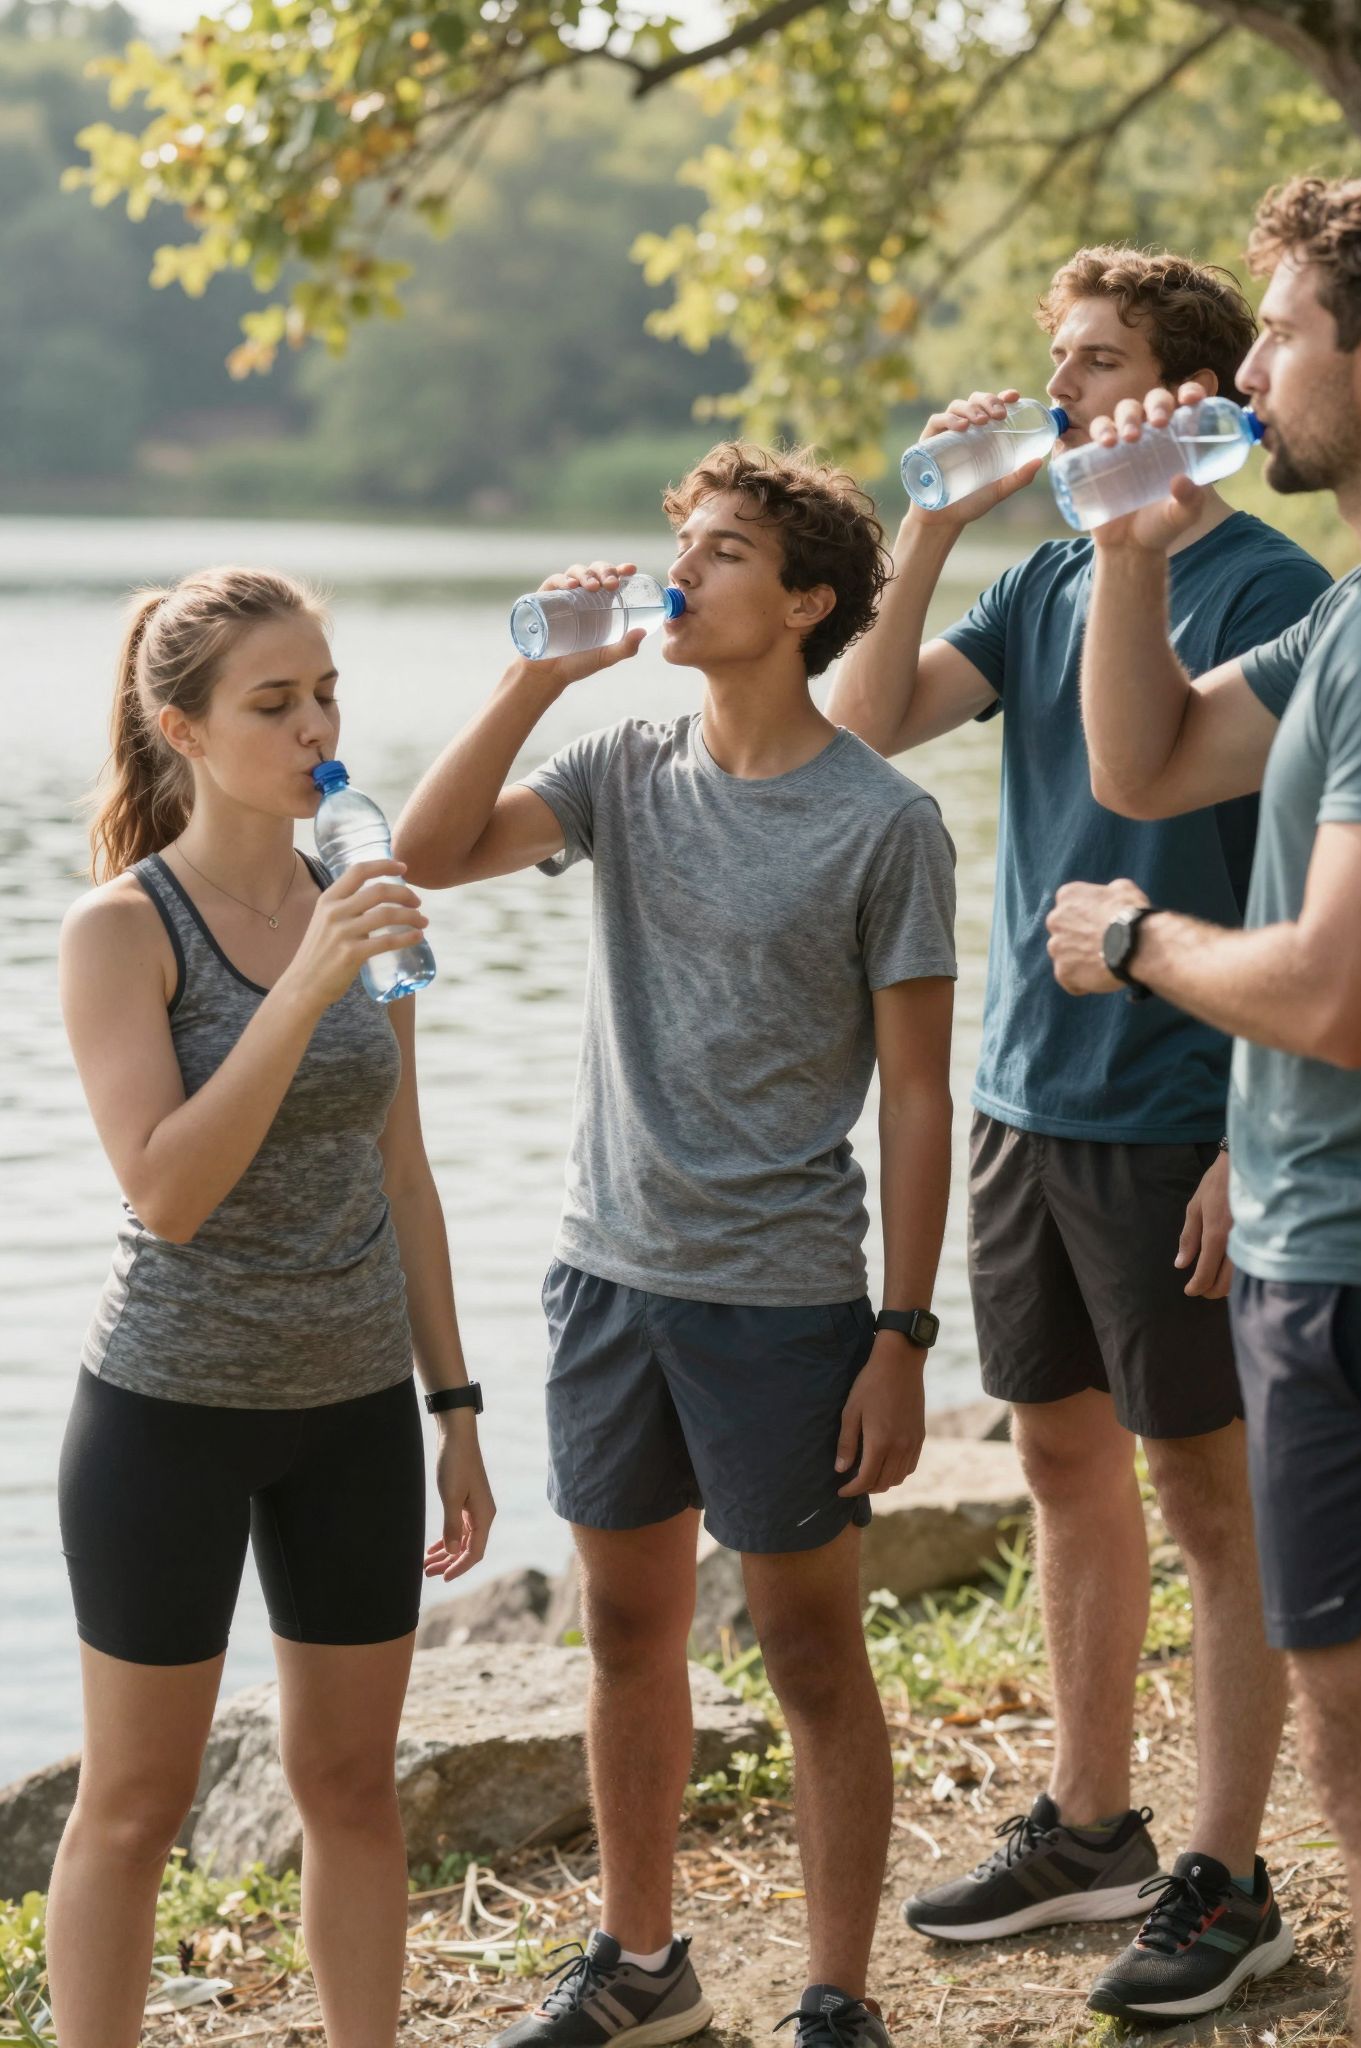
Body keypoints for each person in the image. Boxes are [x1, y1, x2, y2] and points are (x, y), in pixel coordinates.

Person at [1045, 168, 1361, 2046]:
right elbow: (1146, 751)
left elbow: (1343, 990)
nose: (1242, 370)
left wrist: (1144, 941)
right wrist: (1139, 547)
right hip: (1355, 1250)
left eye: (1277, 334)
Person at [394, 443, 957, 2048]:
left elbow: (916, 1098)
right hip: (607, 1276)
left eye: (724, 554)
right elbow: (423, 855)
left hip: (782, 1301)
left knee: (808, 1647)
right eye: (683, 547)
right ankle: (643, 1968)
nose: (684, 574)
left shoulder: (885, 822)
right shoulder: (625, 763)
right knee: (629, 1630)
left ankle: (838, 1994)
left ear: (805, 604)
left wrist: (902, 1336)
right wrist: (532, 678)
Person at [827, 245, 1332, 2023]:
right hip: (1023, 1100)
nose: (1058, 392)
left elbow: (1319, 901)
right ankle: (1095, 1822)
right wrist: (934, 528)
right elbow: (862, 721)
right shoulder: (1044, 580)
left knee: (1208, 1495)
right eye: (1053, 359)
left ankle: (1231, 1868)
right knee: (1060, 1466)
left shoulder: (1285, 593)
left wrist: (1243, 1139)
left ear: (1182, 400)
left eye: (1095, 361)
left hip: (1188, 1113)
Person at [49, 568, 495, 2048]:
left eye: (329, 693)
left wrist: (456, 1404)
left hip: (353, 1411)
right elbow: (166, 1190)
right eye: (275, 702)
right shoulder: (122, 931)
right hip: (168, 1417)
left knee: (354, 1790)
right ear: (182, 727)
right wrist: (305, 983)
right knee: (134, 1804)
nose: (319, 727)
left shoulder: (359, 903)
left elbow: (408, 1170)